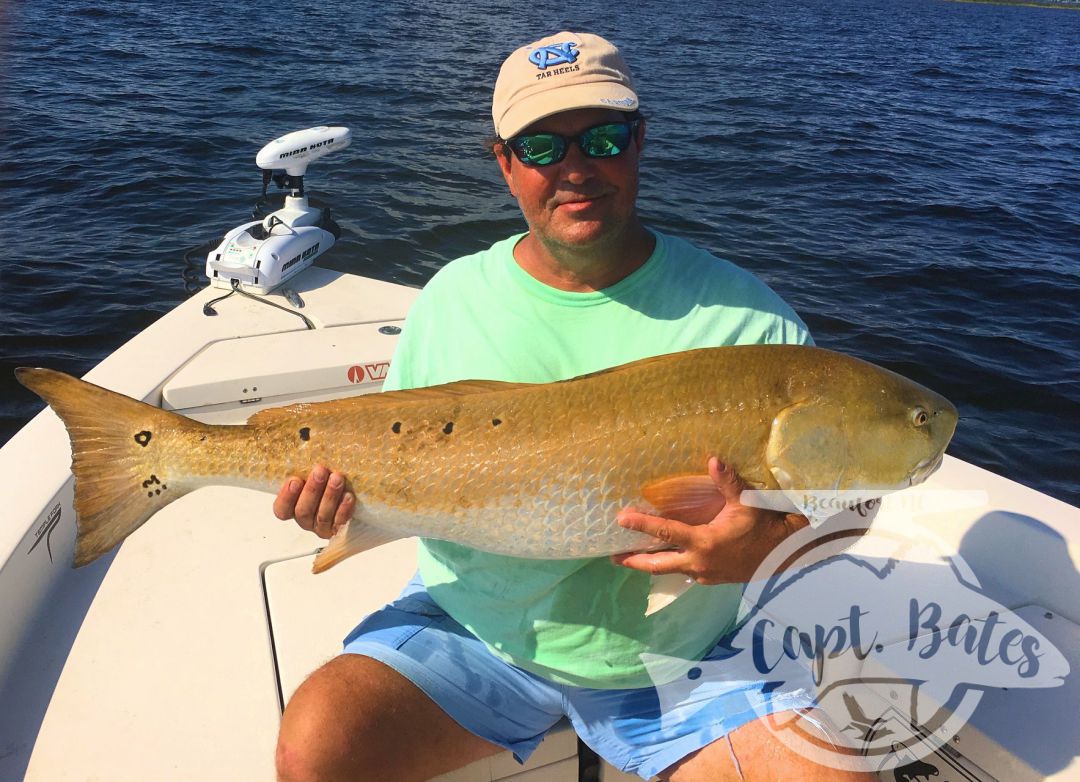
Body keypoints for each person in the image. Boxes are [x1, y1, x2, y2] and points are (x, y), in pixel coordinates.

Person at [273, 31, 874, 782]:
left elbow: (851, 504)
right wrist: (336, 507)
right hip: (476, 625)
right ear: (505, 164)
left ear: (639, 141)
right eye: (543, 148)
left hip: (683, 651)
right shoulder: (452, 299)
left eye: (603, 137)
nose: (577, 168)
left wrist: (769, 549)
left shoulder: (755, 329)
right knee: (318, 744)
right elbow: (398, 458)